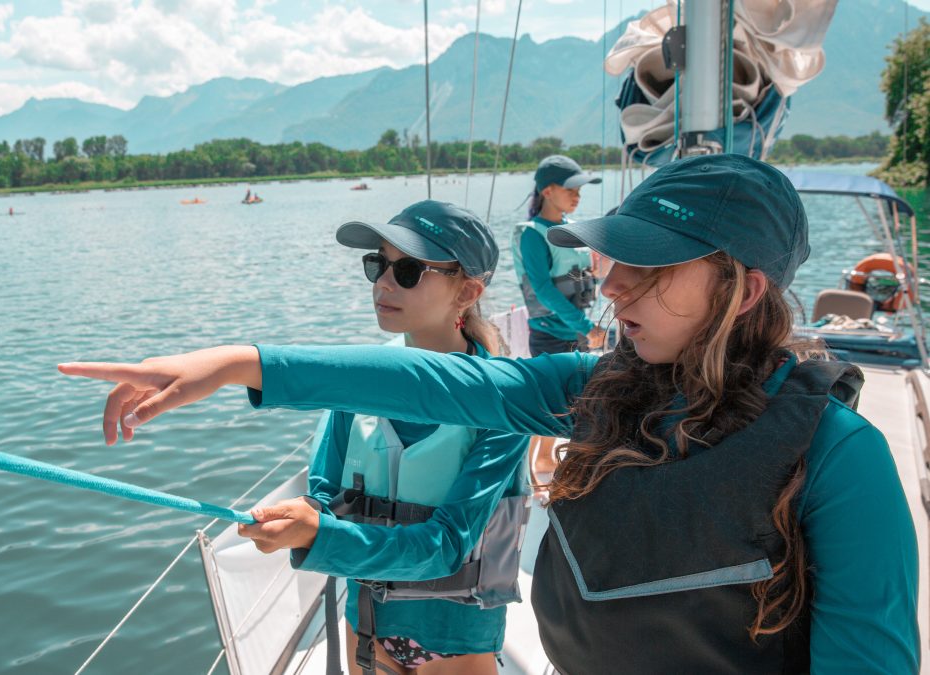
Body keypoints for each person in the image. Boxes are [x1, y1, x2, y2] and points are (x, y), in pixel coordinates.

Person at [60, 155, 920, 673]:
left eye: (651, 268)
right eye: (617, 257)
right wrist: (238, 363)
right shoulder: (602, 388)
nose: (612, 283)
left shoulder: (838, 460)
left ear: (745, 287)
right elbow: (451, 385)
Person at [247, 201, 529, 674]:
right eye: (378, 264)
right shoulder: (357, 382)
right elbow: (324, 494)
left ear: (469, 292)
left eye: (409, 270)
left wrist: (322, 536)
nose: (383, 282)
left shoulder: (504, 402)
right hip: (367, 625)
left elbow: (447, 545)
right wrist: (298, 517)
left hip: (454, 639)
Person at [513, 155, 607, 355]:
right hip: (550, 338)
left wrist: (596, 273)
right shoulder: (533, 234)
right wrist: (588, 327)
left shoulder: (575, 230)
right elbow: (544, 290)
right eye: (570, 190)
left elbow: (583, 277)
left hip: (578, 333)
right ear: (547, 191)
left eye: (579, 191)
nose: (577, 196)